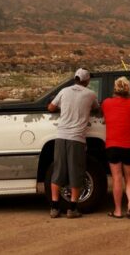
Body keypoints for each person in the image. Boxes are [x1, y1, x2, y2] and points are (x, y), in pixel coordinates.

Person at [47, 68, 99, 219]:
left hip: (61, 136)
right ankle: (72, 208)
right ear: (87, 81)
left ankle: (54, 208)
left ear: (75, 78)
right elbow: (97, 108)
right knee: (76, 172)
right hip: (76, 139)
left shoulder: (64, 91)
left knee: (58, 171)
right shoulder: (90, 94)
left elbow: (50, 107)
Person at [101, 76, 130, 219]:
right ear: (128, 89)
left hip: (113, 145)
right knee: (129, 178)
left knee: (117, 178)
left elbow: (105, 118)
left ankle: (117, 211)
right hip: (129, 145)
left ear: (115, 88)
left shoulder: (106, 103)